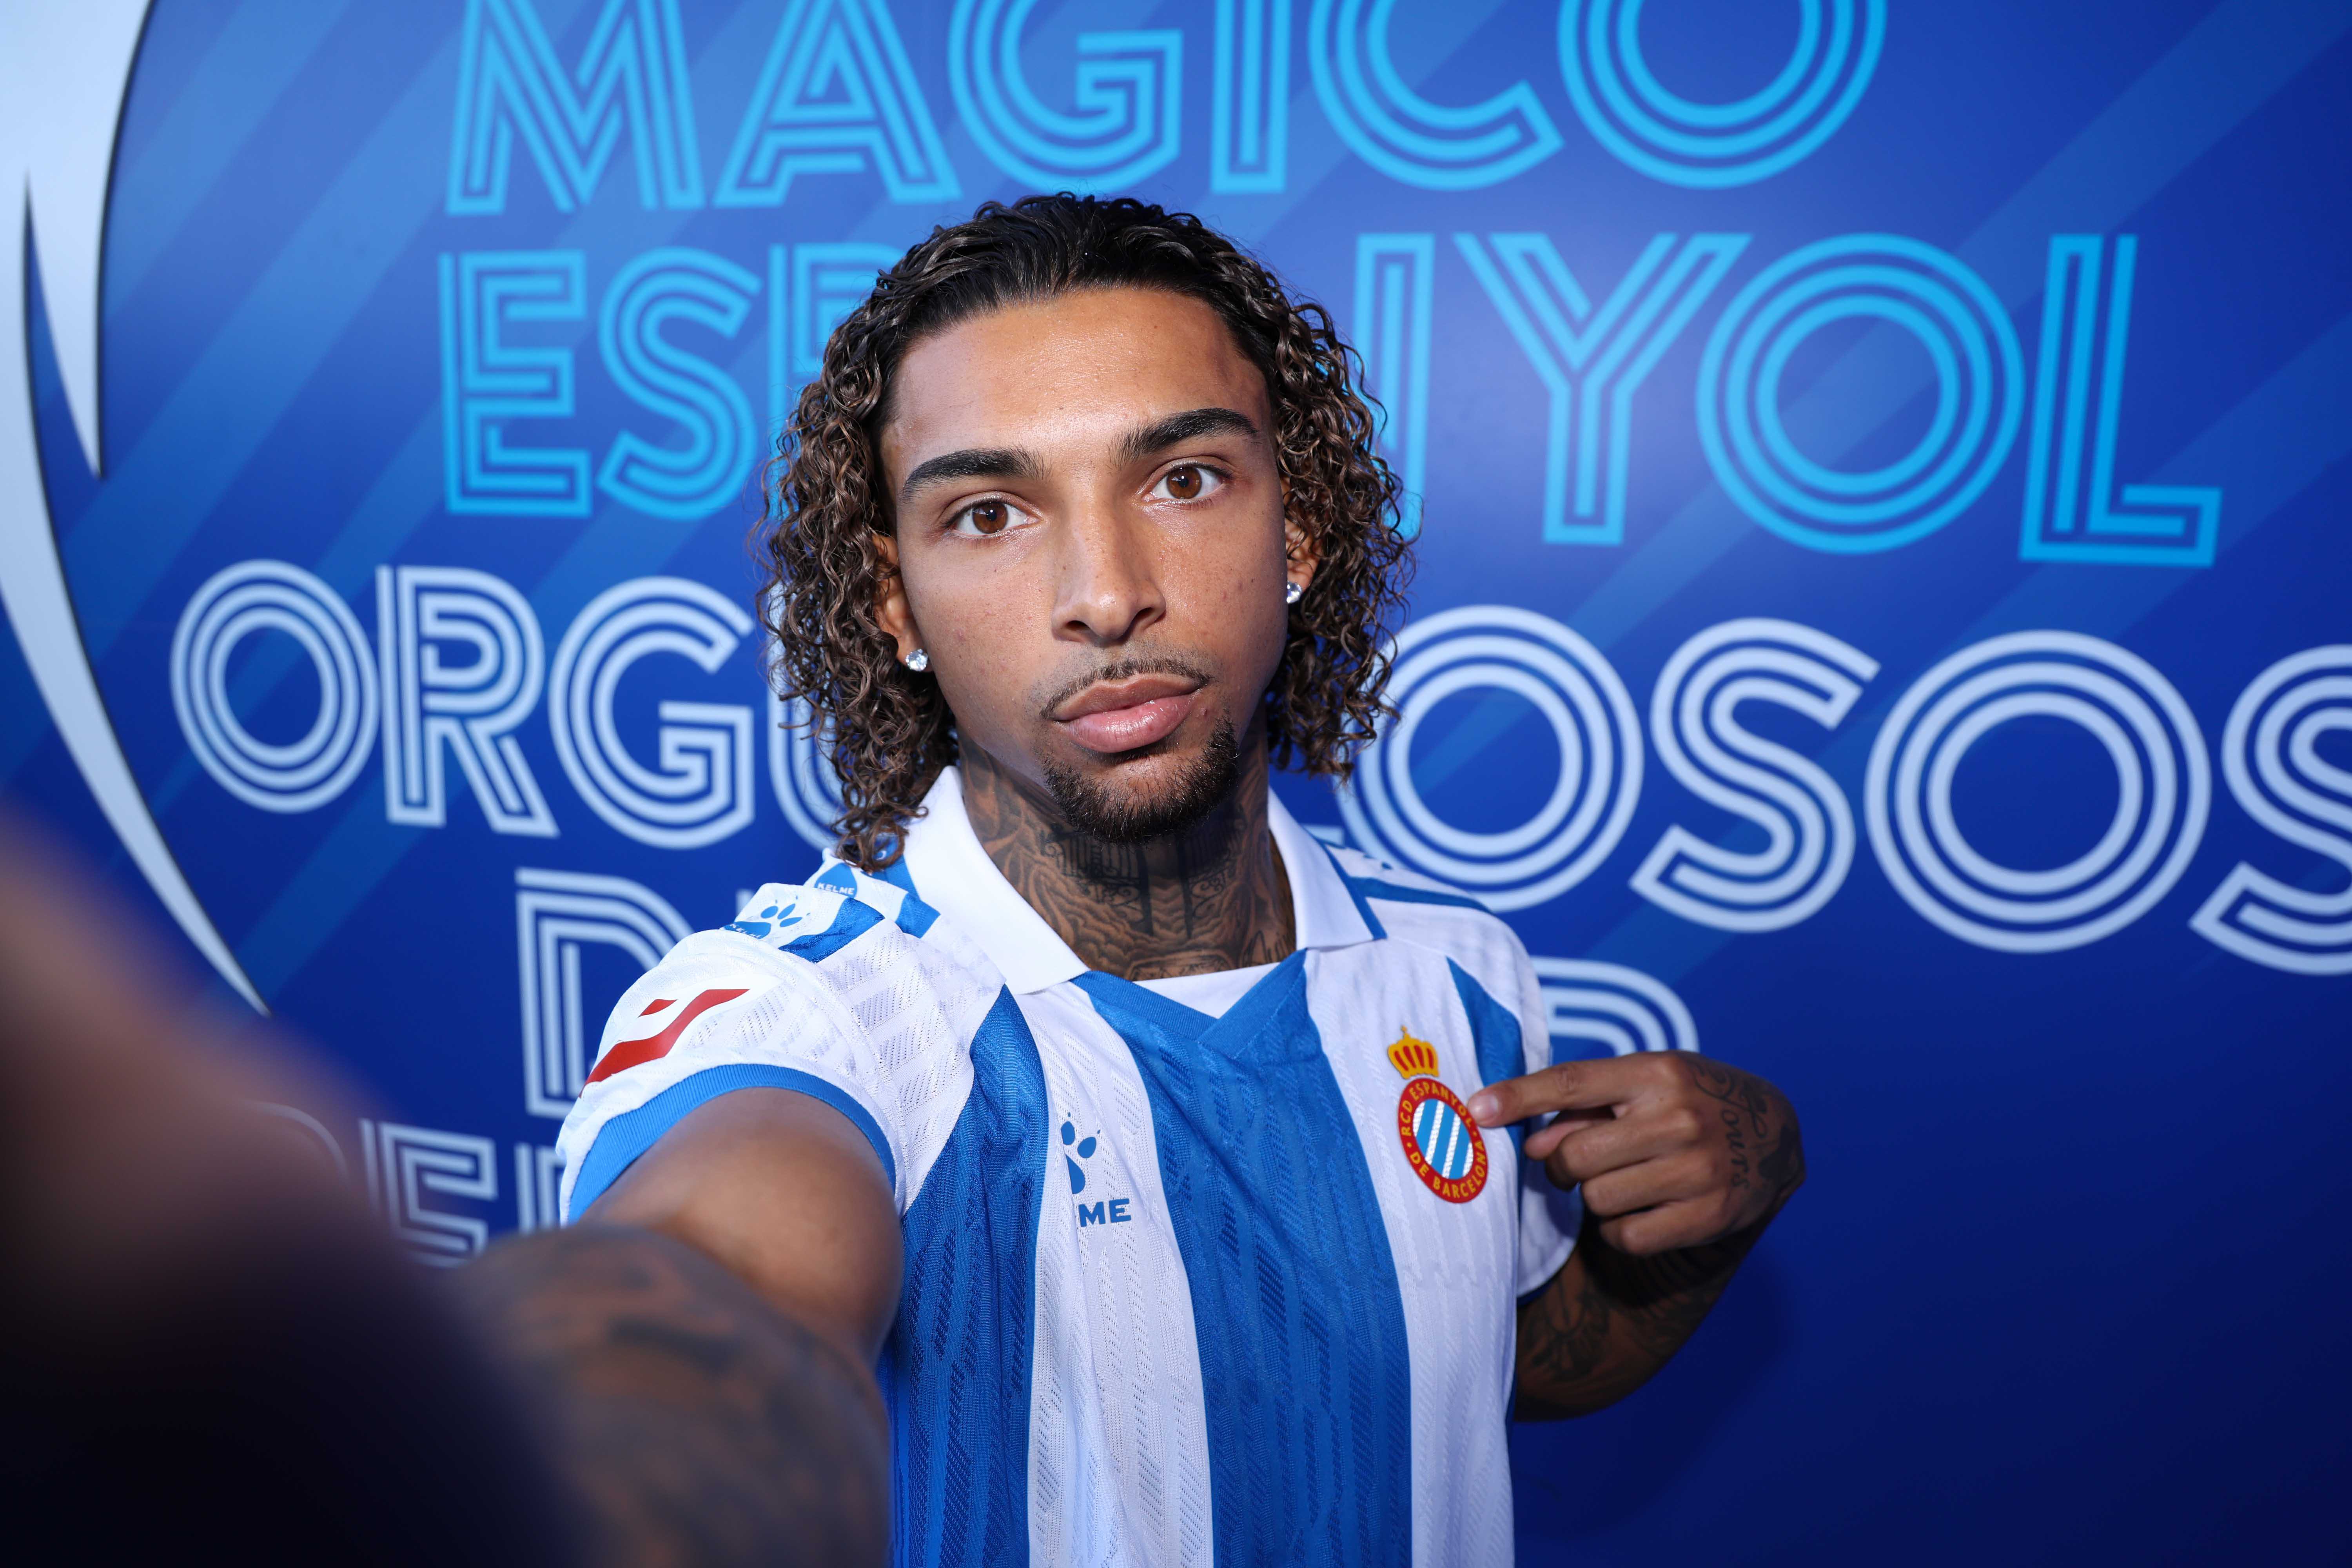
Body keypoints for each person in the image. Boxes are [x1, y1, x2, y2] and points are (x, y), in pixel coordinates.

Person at [554, 194, 1806, 1567]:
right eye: (988, 512)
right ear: (895, 597)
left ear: (1301, 529)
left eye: (1185, 480)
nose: (1106, 593)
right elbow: (718, 1276)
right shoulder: (819, 1013)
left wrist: (1697, 1232)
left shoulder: (1458, 974)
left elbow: (1478, 1362)